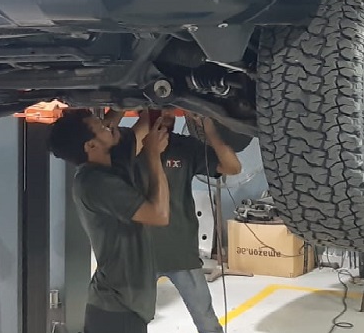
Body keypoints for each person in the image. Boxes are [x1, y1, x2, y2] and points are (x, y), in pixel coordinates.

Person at [47, 107, 171, 333]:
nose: (109, 125)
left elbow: (145, 124)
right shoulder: (94, 183)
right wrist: (153, 156)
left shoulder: (114, 159)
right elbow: (159, 215)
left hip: (124, 305)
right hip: (116, 309)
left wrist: (126, 102)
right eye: (101, 126)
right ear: (91, 146)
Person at [147, 112, 243, 333]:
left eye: (171, 109)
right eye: (161, 108)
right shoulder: (127, 144)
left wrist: (210, 131)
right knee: (133, 321)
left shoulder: (185, 147)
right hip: (140, 255)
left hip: (182, 252)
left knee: (207, 321)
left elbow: (233, 167)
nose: (167, 114)